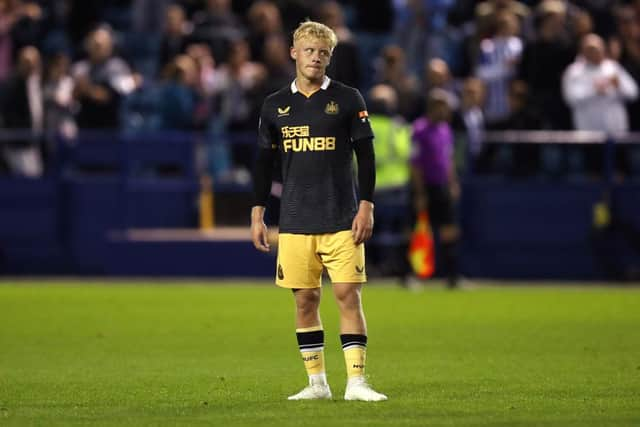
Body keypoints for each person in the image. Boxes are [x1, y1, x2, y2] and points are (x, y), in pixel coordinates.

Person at [250, 20, 387, 402]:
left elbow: (367, 156)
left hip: (342, 216)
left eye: (323, 53)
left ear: (330, 57)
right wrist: (257, 213)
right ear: (294, 53)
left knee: (347, 293)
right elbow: (263, 163)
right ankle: (317, 384)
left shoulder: (348, 99)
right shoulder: (275, 105)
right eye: (309, 51)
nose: (316, 58)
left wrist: (366, 205)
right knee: (305, 300)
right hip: (294, 219)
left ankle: (357, 382)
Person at [410, 89, 461, 289]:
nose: (446, 111)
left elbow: (448, 160)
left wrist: (452, 183)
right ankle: (413, 275)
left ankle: (452, 277)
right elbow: (415, 163)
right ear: (434, 106)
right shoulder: (419, 129)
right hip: (426, 188)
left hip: (442, 188)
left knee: (450, 231)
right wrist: (419, 192)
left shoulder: (445, 130)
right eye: (443, 107)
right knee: (421, 232)